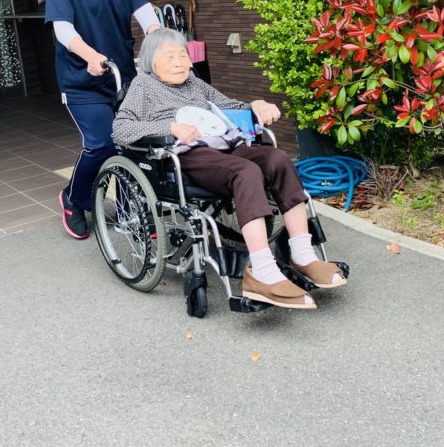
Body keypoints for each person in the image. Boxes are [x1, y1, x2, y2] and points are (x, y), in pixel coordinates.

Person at [112, 28, 347, 310]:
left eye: (183, 55)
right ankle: (262, 271)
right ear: (151, 61)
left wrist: (256, 105)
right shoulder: (143, 85)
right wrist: (170, 127)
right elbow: (120, 129)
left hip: (225, 144)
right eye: (170, 56)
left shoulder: (194, 83)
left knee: (278, 159)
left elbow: (228, 107)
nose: (179, 62)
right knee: (246, 171)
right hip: (186, 155)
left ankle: (302, 254)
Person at [44, 0, 159, 240]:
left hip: (124, 74)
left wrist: (159, 38)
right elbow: (62, 28)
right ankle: (73, 199)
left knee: (132, 143)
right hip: (82, 78)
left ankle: (128, 209)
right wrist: (90, 56)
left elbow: (143, 10)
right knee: (102, 144)